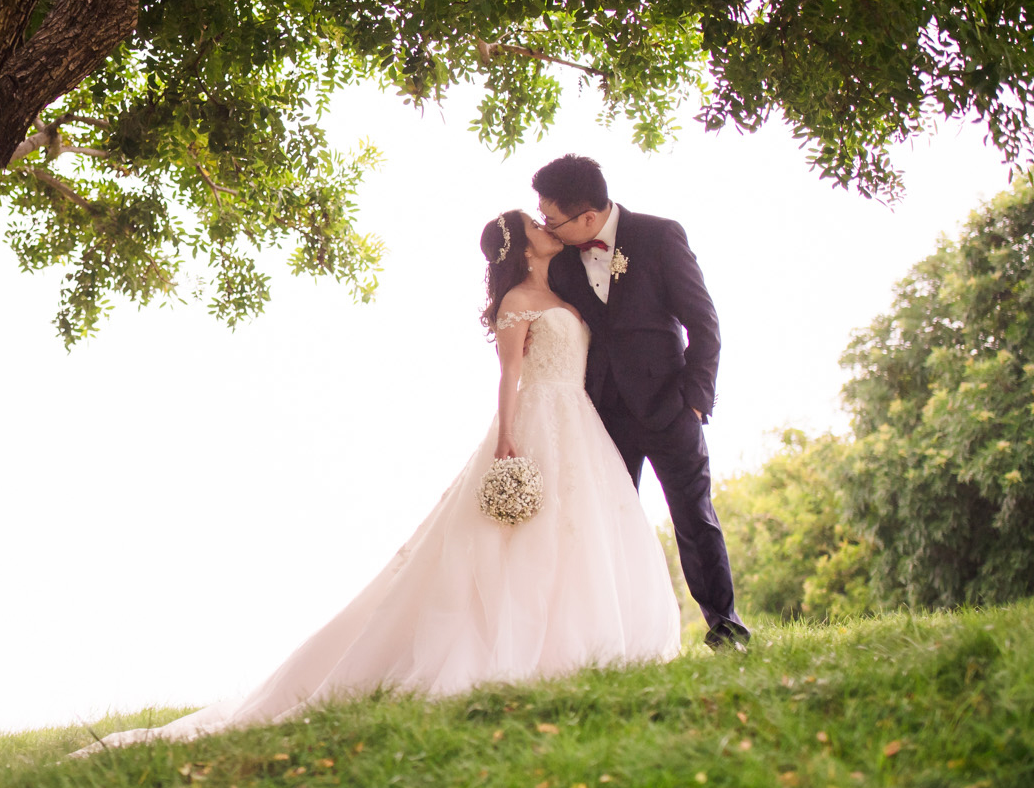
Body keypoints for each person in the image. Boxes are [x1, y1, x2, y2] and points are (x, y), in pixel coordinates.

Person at [79, 210, 681, 753]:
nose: (547, 229)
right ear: (521, 251)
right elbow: (509, 376)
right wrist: (505, 440)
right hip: (534, 421)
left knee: (581, 533)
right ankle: (525, 649)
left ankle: (593, 643)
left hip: (579, 421)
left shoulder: (562, 290)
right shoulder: (517, 302)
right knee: (520, 539)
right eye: (535, 228)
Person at [532, 153, 751, 650]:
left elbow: (704, 322)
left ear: (587, 216)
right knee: (610, 525)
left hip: (670, 407)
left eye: (552, 217)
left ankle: (725, 626)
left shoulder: (660, 236)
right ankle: (621, 637)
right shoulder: (561, 264)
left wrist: (695, 400)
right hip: (602, 415)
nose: (546, 224)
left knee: (694, 518)